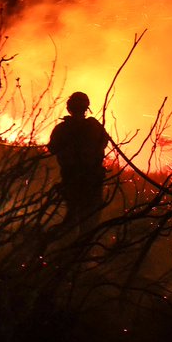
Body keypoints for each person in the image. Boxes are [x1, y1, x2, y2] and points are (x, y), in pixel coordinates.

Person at [47, 91, 111, 235]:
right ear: (86, 108)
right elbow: (104, 143)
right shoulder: (95, 127)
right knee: (90, 223)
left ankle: (69, 250)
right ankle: (84, 250)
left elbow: (52, 148)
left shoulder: (62, 129)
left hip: (72, 181)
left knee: (72, 221)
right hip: (93, 181)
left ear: (69, 108)